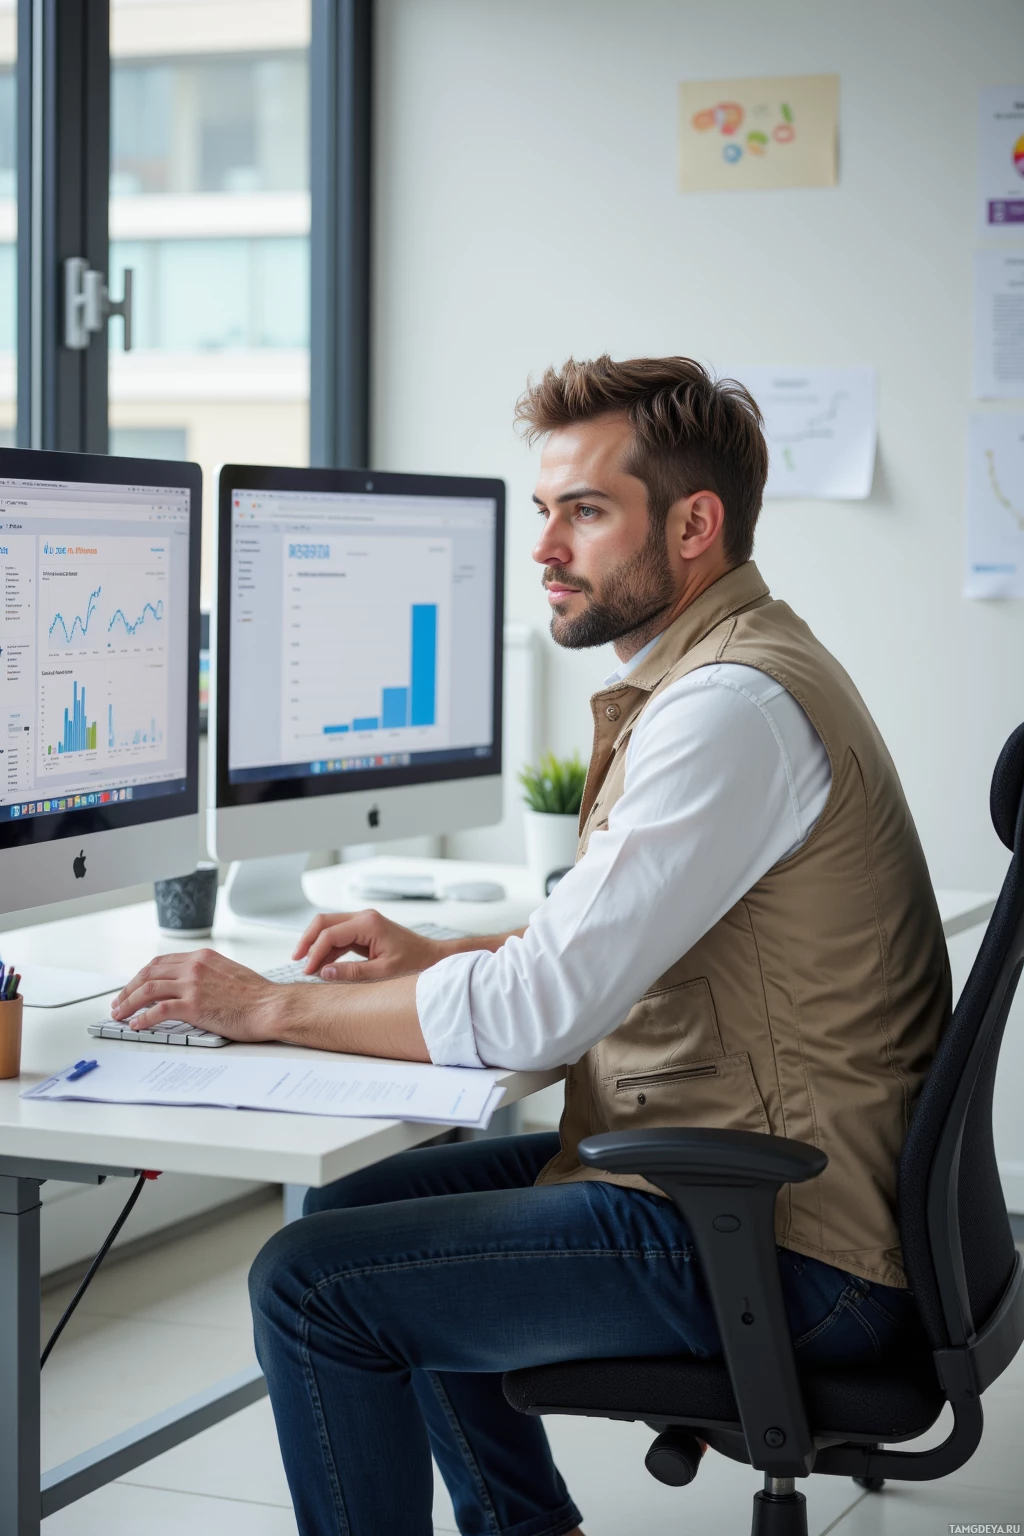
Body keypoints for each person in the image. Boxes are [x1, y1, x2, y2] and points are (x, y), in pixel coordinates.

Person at [112, 356, 951, 1536]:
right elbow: (622, 931)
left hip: (793, 1251)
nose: (546, 546)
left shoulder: (723, 711)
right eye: (546, 510)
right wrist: (439, 951)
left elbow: (534, 1017)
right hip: (745, 1185)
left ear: (694, 524)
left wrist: (270, 1008)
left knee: (311, 1288)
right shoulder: (732, 668)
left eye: (587, 512)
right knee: (336, 1223)